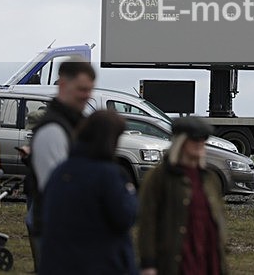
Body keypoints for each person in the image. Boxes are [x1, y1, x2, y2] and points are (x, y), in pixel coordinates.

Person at [39, 111, 138, 275]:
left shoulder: (60, 172)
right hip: (102, 262)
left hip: (60, 261)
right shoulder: (109, 175)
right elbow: (124, 215)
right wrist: (131, 195)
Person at [27, 60, 94, 270]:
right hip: (58, 230)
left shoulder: (75, 125)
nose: (86, 95)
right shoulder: (53, 130)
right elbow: (57, 189)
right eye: (81, 89)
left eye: (89, 90)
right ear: (63, 85)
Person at [138, 116, 227, 275]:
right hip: (176, 262)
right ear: (181, 142)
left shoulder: (210, 179)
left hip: (207, 259)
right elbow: (147, 222)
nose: (200, 143)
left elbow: (216, 222)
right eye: (194, 139)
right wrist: (148, 263)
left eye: (203, 139)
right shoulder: (159, 178)